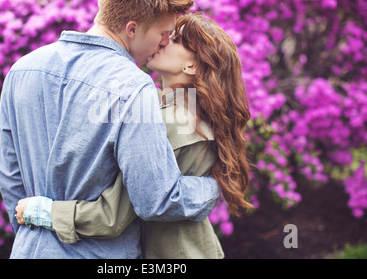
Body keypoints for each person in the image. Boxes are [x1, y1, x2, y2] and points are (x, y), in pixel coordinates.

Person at [0, 0, 220, 259]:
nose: (164, 42)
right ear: (132, 29)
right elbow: (155, 200)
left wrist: (35, 236)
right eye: (163, 34)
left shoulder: (22, 69)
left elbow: (10, 178)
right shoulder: (132, 85)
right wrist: (212, 189)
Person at [15, 13, 254, 258]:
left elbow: (114, 215)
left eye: (177, 41)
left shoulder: (175, 122)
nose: (164, 41)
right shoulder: (183, 111)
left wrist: (45, 212)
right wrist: (210, 191)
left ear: (191, 66)